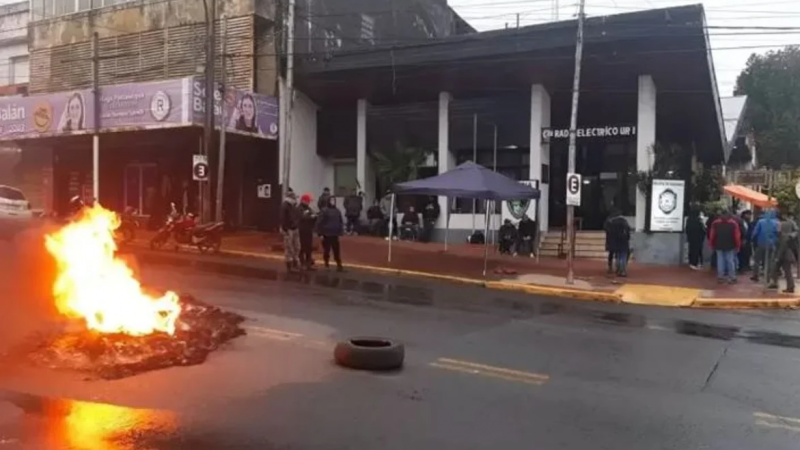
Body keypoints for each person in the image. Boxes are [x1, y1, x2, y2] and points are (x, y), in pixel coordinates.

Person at [709, 209, 741, 284]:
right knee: (730, 261)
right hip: (730, 244)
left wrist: (711, 244)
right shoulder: (733, 223)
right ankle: (732, 277)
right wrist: (738, 245)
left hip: (718, 244)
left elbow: (712, 235)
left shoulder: (715, 223)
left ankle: (720, 277)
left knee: (720, 261)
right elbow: (737, 236)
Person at [768, 215, 797, 293]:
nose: (777, 227)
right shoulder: (782, 236)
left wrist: (777, 257)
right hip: (783, 256)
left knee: (787, 272)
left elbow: (782, 248)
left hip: (785, 256)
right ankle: (775, 283)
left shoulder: (784, 236)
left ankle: (790, 287)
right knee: (775, 269)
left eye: (778, 226)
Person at [316, 195, 344, 271]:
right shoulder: (324, 210)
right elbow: (319, 222)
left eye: (334, 200)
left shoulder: (337, 211)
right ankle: (326, 263)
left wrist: (340, 231)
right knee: (327, 250)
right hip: (326, 234)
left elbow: (340, 221)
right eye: (331, 200)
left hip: (335, 234)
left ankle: (339, 264)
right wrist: (320, 233)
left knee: (336, 250)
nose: (333, 202)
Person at [750, 209, 779, 282]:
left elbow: (755, 232)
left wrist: (752, 239)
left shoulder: (760, 221)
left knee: (757, 260)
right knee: (769, 261)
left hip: (761, 243)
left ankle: (755, 275)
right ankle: (768, 277)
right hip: (771, 244)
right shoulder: (776, 222)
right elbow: (778, 233)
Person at [279, 189, 301, 272]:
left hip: (295, 228)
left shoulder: (293, 206)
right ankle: (290, 265)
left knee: (297, 247)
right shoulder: (285, 206)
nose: (296, 199)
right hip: (289, 229)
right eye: (294, 198)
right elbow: (282, 218)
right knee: (289, 247)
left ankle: (295, 263)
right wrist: (285, 229)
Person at [605, 209, 632, 277]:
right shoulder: (624, 222)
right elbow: (628, 231)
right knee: (623, 256)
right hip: (624, 241)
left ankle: (617, 268)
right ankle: (622, 270)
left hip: (615, 242)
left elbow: (608, 230)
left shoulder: (611, 222)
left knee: (618, 256)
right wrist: (628, 238)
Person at [297, 193, 317, 270]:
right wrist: (310, 217)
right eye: (307, 201)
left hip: (308, 230)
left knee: (308, 247)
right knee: (302, 247)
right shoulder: (299, 209)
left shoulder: (308, 208)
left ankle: (308, 263)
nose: (308, 202)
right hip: (302, 230)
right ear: (303, 200)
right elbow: (301, 218)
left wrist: (314, 217)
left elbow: (312, 215)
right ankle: (302, 263)